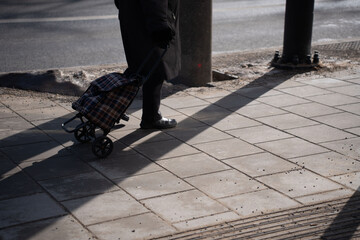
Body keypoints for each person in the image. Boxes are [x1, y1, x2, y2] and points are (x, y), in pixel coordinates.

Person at [114, 0, 181, 129]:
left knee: (140, 68)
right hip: (151, 23)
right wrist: (160, 25)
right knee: (155, 69)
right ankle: (151, 117)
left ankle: (109, 109)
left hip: (134, 17)